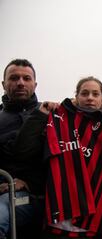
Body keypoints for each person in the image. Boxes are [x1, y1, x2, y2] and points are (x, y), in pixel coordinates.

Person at [15, 76, 102, 238]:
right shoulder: (57, 118)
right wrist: (40, 115)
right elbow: (24, 149)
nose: (89, 97)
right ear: (76, 97)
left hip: (93, 218)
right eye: (84, 93)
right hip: (59, 213)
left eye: (95, 94)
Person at [0, 59, 44, 238]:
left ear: (35, 84)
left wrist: (28, 183)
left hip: (38, 197)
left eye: (26, 78)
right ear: (4, 84)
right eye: (14, 78)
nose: (20, 83)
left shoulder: (51, 116)